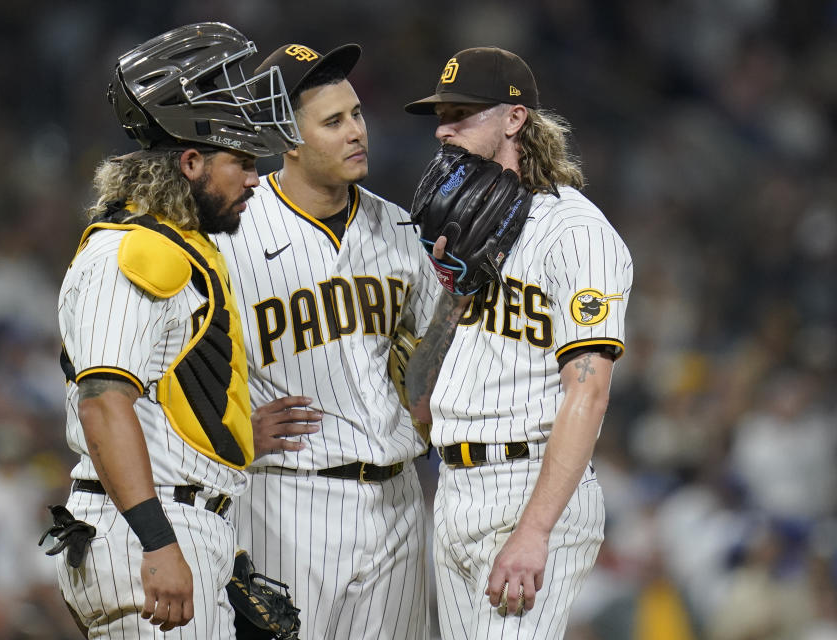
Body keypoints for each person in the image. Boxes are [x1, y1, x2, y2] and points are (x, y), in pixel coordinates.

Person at [49, 22, 302, 638]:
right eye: (241, 160)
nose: (253, 178)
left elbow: (162, 400)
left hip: (170, 521)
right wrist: (160, 543)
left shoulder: (176, 247)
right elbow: (104, 405)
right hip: (144, 529)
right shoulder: (134, 253)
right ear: (190, 161)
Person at [403, 47, 633, 639]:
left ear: (514, 119)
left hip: (527, 486)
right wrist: (452, 296)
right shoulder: (465, 224)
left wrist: (534, 531)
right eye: (441, 113)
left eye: (464, 112)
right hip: (454, 487)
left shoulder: (576, 233)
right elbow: (420, 393)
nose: (444, 128)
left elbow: (590, 395)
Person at [213, 43, 437, 640]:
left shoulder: (398, 227)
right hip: (287, 500)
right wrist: (230, 430)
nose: (357, 132)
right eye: (333, 122)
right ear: (289, 136)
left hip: (397, 501)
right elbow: (177, 364)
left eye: (357, 114)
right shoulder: (232, 232)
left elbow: (439, 358)